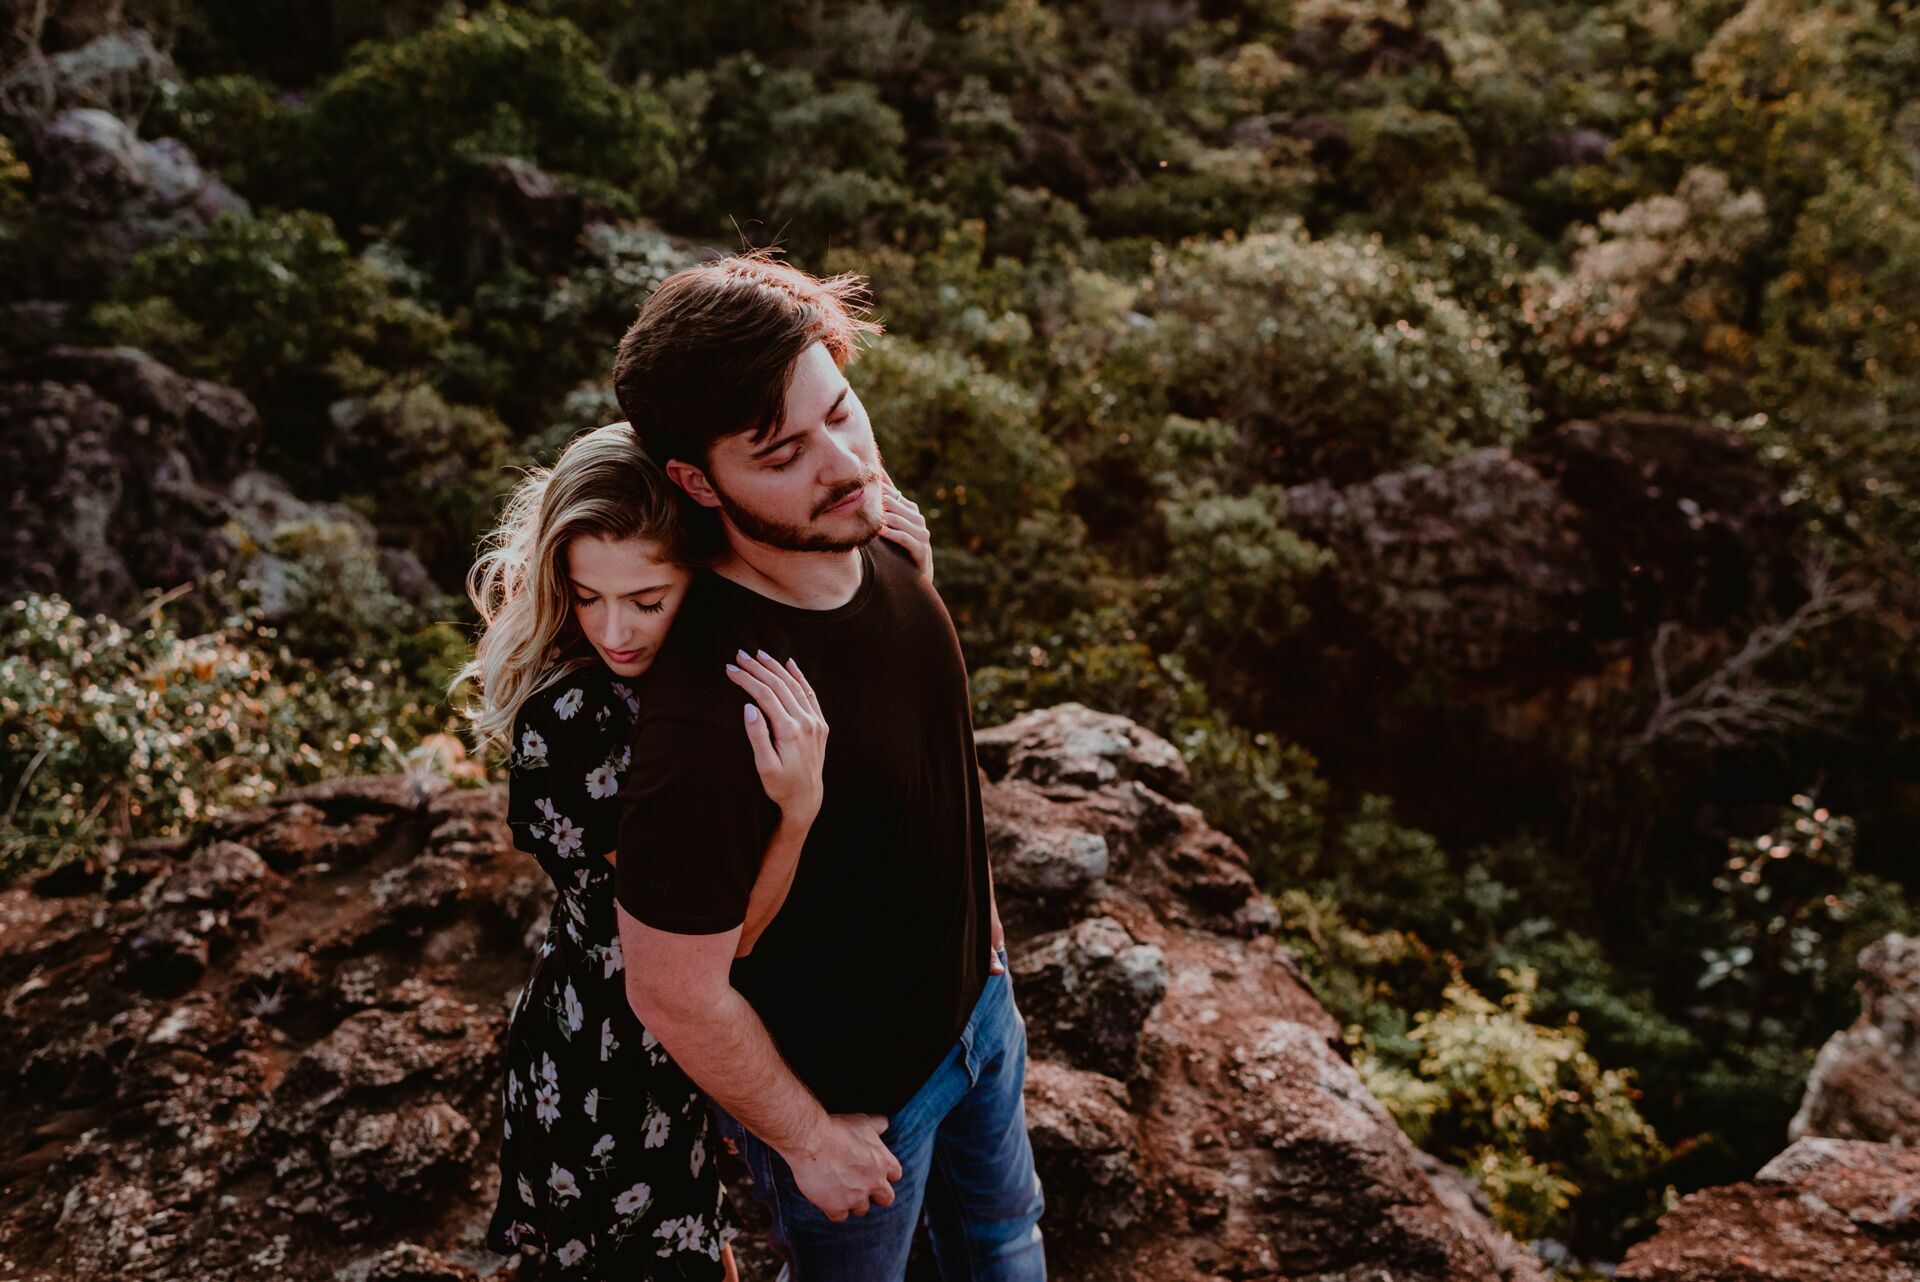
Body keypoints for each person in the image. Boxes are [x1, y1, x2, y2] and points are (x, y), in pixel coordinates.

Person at [609, 249, 1046, 1282]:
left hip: (977, 1019)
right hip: (858, 1106)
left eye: (841, 413)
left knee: (1004, 1245)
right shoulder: (714, 713)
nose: (843, 463)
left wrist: (985, 948)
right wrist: (807, 1137)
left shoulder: (881, 537)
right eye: (782, 452)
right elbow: (671, 989)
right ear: (694, 479)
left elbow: (927, 751)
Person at [456, 421, 936, 1279]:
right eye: (586, 596)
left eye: (648, 599)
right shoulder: (573, 725)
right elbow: (730, 936)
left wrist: (907, 580)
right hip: (611, 1058)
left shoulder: (714, 661)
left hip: (688, 1051)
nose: (616, 632)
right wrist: (796, 812)